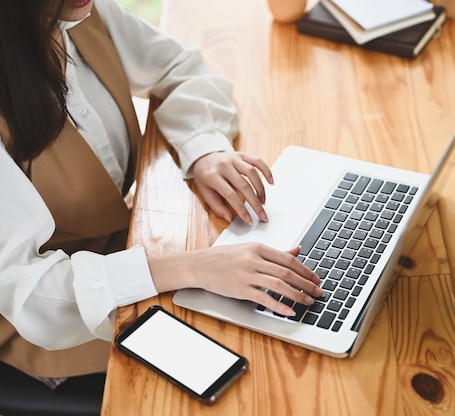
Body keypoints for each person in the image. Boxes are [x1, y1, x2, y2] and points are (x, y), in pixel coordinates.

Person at [0, 0, 322, 385]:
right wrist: (194, 267)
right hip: (56, 319)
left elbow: (178, 65)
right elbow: (29, 292)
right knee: (265, 370)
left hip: (125, 251)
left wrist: (203, 148)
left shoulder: (79, 13)